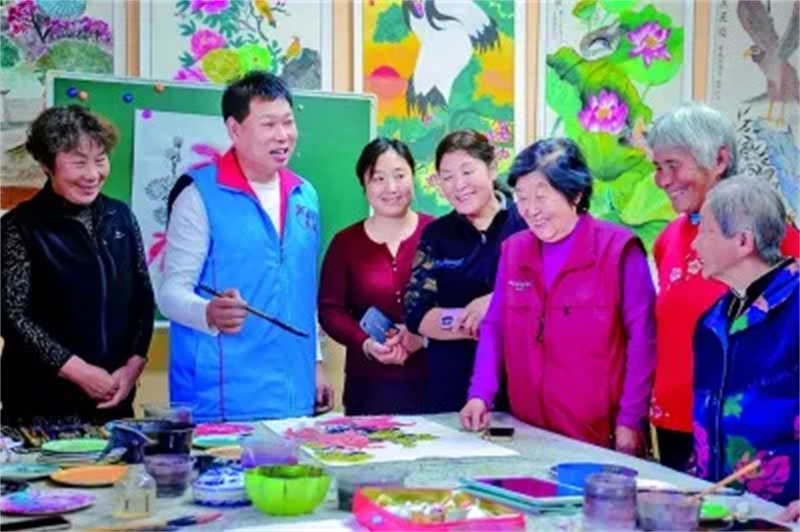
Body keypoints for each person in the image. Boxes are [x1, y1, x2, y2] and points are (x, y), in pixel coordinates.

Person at [460, 138, 656, 454]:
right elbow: (495, 327)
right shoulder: (514, 251)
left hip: (598, 434)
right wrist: (480, 394)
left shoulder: (618, 250)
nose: (530, 210)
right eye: (522, 198)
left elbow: (643, 341)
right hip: (529, 430)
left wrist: (631, 420)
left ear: (575, 194)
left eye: (542, 197)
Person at [159, 71, 333, 422]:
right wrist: (208, 312)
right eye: (268, 124)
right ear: (234, 129)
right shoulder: (198, 194)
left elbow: (301, 292)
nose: (283, 135)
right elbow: (170, 294)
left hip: (294, 392)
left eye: (288, 122)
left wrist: (315, 362)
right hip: (221, 399)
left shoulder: (305, 195)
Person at [648, 103, 799, 470]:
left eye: (673, 165)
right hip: (678, 422)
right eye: (657, 167)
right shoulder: (668, 239)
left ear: (718, 159)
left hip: (753, 437)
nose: (662, 180)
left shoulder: (777, 237)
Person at [0, 105, 154, 426]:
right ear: (47, 165)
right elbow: (12, 317)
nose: (92, 174)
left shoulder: (120, 216)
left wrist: (133, 366)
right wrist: (79, 372)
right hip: (39, 407)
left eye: (100, 159)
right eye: (79, 162)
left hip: (113, 399)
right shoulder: (19, 227)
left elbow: (142, 296)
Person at [691, 175, 798, 506]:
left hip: (784, 510)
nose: (695, 245)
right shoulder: (711, 324)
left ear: (742, 241)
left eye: (706, 232)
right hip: (719, 507)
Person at [404, 129, 526, 413]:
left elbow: (547, 292)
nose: (459, 185)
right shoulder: (436, 234)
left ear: (492, 168)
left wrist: (495, 303)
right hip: (451, 385)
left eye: (467, 171)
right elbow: (416, 313)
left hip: (520, 382)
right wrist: (473, 319)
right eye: (447, 177)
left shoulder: (526, 223)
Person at [319, 138, 433, 415]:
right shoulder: (345, 243)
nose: (391, 188)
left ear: (413, 177)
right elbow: (330, 310)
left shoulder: (438, 233)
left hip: (436, 383)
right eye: (378, 178)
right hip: (368, 388)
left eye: (400, 175)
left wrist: (423, 337)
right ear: (364, 185)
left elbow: (458, 303)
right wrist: (366, 342)